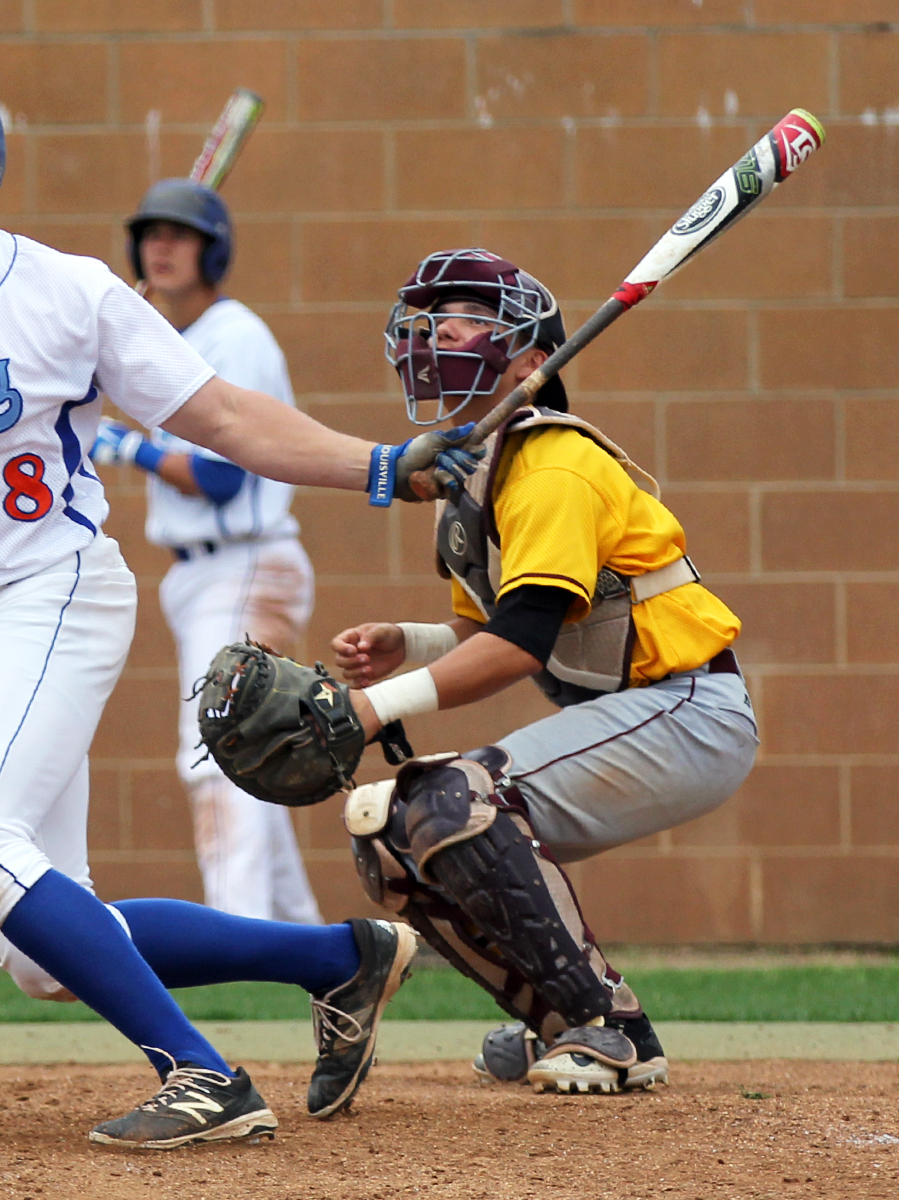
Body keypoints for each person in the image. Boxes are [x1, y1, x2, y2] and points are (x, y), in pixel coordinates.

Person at [0, 62, 477, 1146]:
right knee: (40, 955)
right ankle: (338, 960)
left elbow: (221, 418)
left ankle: (206, 1077)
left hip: (51, 591)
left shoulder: (64, 292)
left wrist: (381, 466)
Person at [327, 248, 759, 1093]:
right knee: (391, 832)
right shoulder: (475, 476)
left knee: (458, 799)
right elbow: (489, 627)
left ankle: (607, 1026)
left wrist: (373, 708)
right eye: (433, 317)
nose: (437, 332)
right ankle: (565, 1018)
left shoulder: (552, 464)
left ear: (530, 361)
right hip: (631, 709)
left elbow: (521, 643)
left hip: (688, 706)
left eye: (468, 318)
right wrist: (407, 645)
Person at [90, 178, 322, 925]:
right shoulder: (170, 339)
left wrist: (127, 445)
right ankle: (315, 952)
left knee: (213, 756)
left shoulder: (233, 334)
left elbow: (222, 476)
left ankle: (242, 943)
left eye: (179, 235)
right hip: (203, 575)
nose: (161, 246)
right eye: (151, 233)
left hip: (245, 561)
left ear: (209, 249)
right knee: (246, 759)